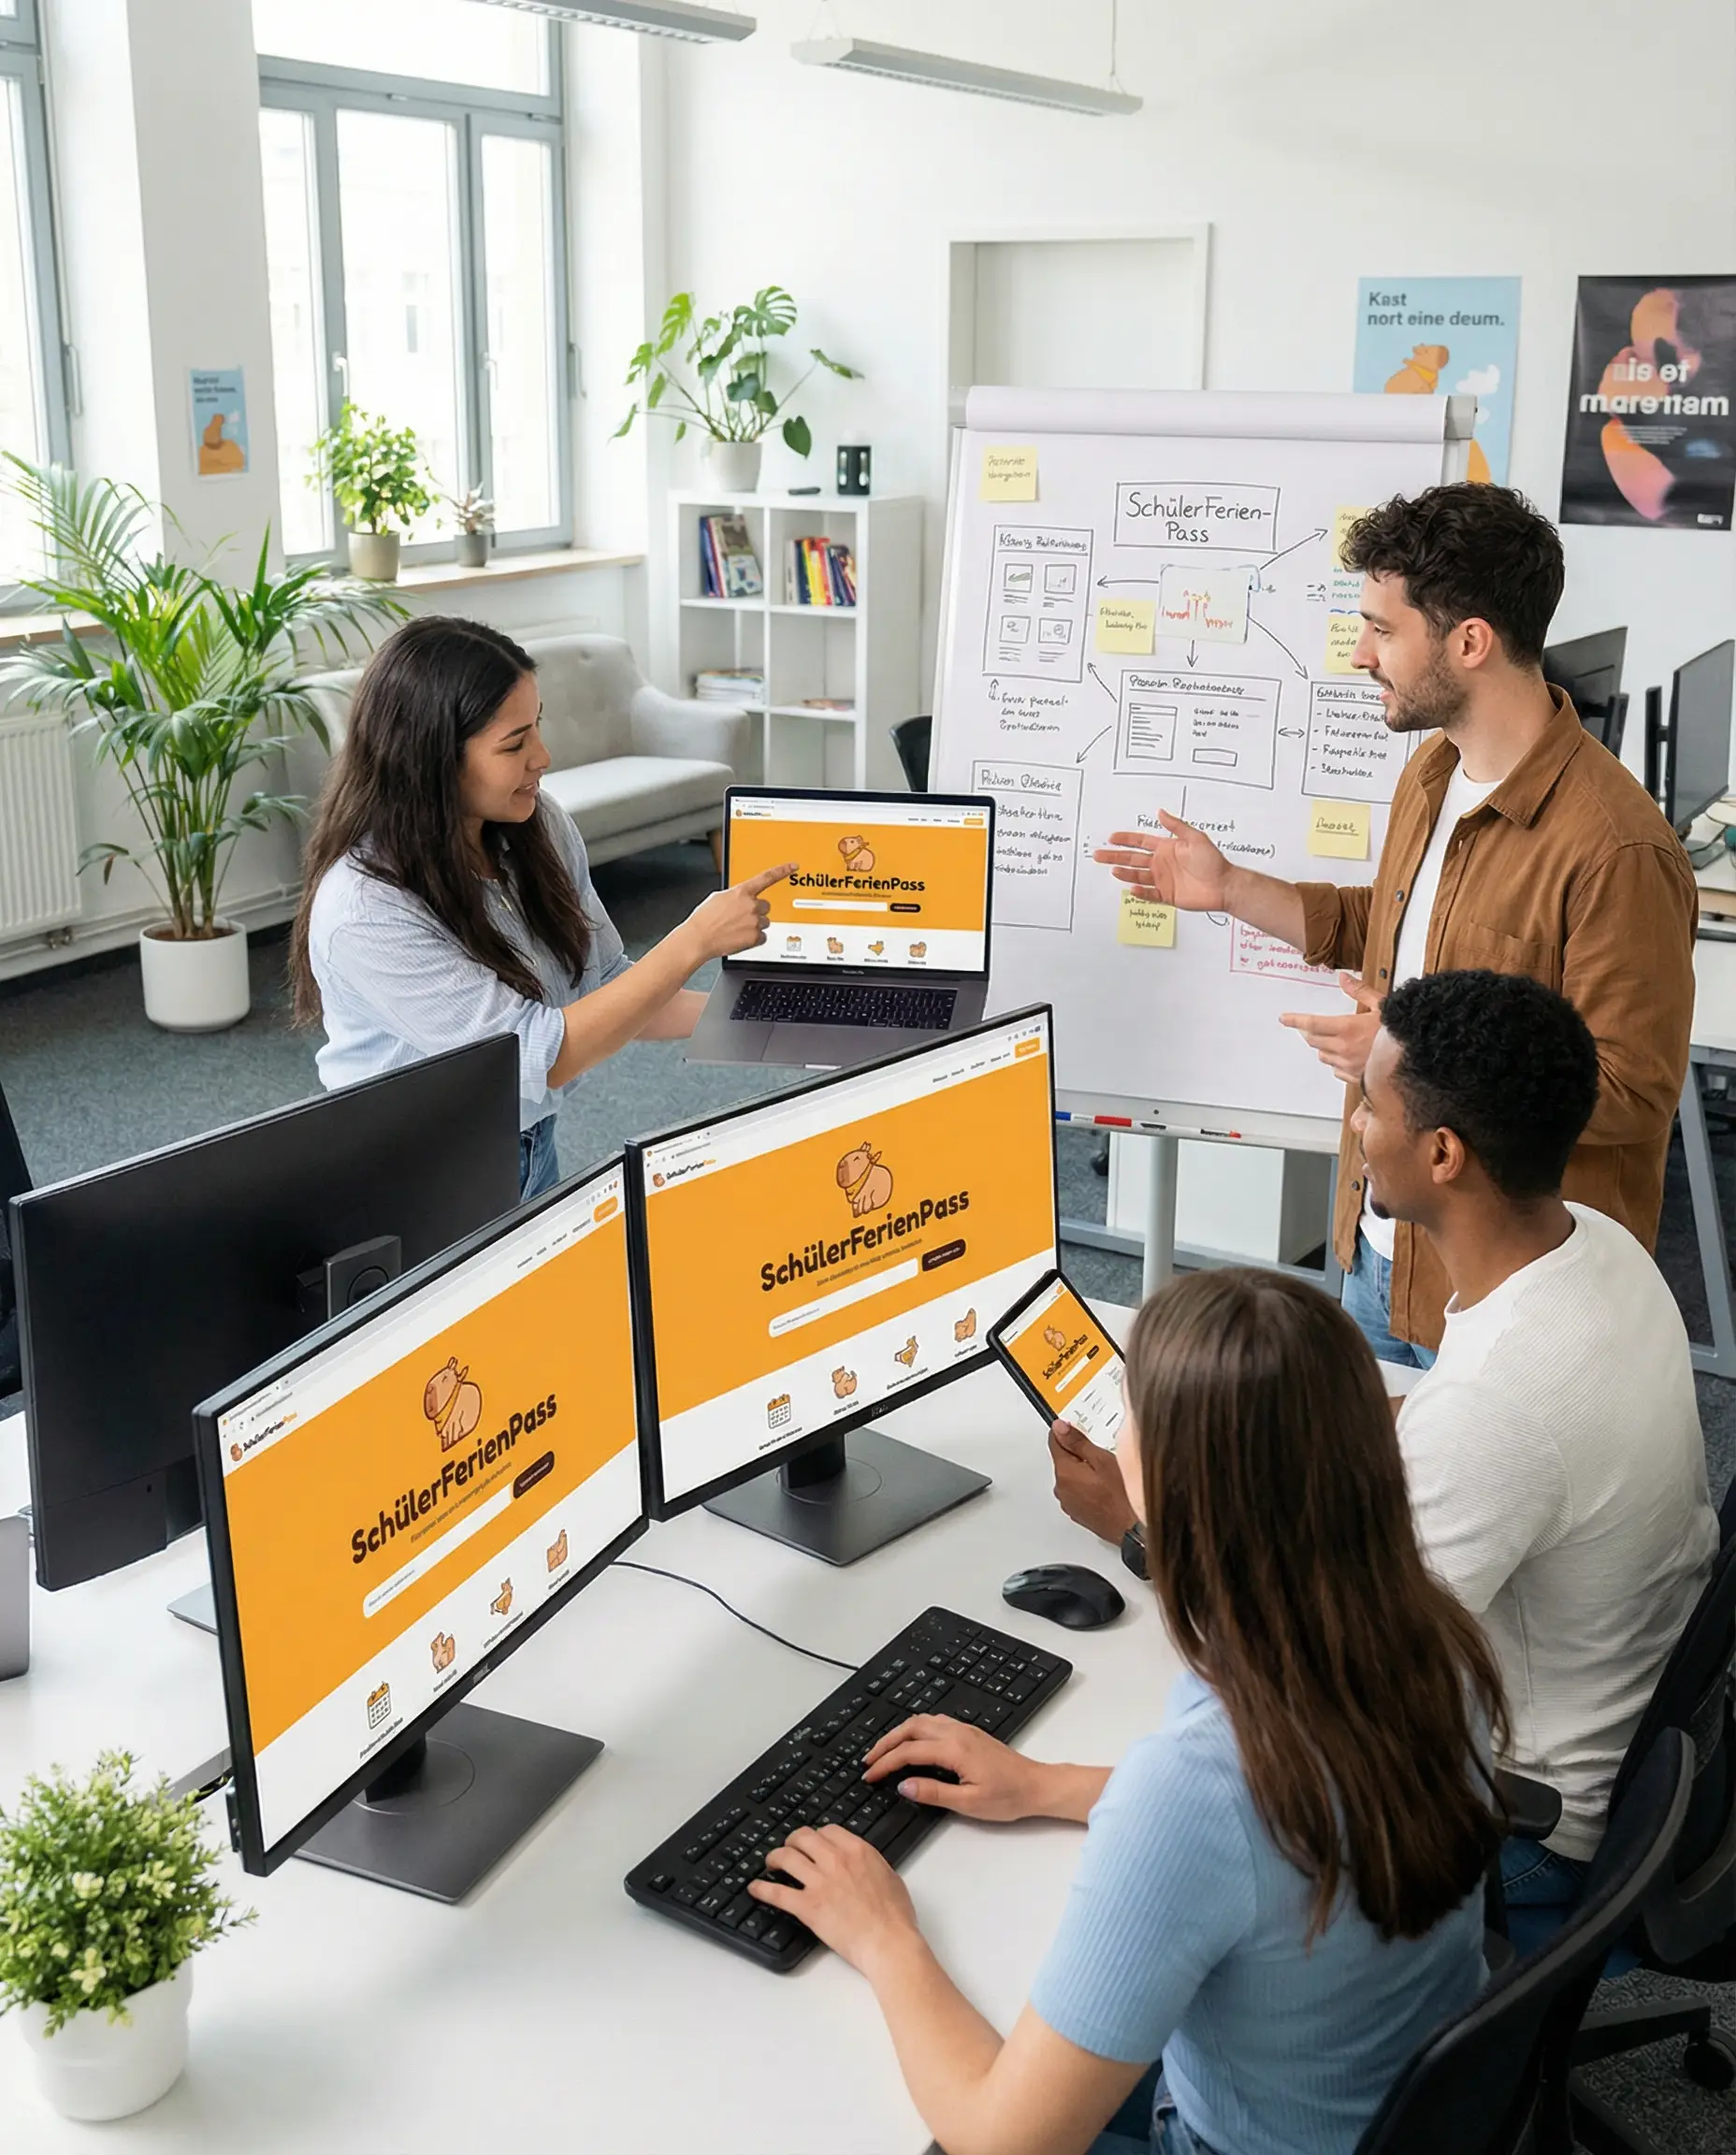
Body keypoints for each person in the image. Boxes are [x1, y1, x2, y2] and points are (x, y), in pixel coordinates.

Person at [751, 1270, 1505, 2155]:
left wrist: (884, 1935)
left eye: (1131, 1410)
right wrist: (1046, 1784)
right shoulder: (1431, 1635)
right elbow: (1279, 1818)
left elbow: (1005, 2141)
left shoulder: (1198, 1792)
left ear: (1182, 1491)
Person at [1094, 484, 1697, 1366]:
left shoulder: (1618, 851)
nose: (1359, 654)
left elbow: (1635, 1089)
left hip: (1512, 1303)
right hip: (1380, 1248)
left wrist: (1408, 1058)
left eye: (1383, 628)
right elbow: (1392, 928)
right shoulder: (1433, 774)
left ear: (1470, 642)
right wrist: (1228, 888)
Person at [1352, 969, 1718, 1949]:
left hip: (1531, 1823)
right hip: (1638, 1732)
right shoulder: (1596, 1246)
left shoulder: (1496, 1403)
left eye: (1366, 1102)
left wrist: (1142, 1529)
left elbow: (1340, 1687)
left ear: (1439, 1152)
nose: (1354, 1126)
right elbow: (1473, 1428)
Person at [289, 617, 792, 1200]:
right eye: (514, 743)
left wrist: (782, 1021)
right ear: (433, 760)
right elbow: (539, 1055)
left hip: (525, 1146)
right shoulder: (366, 910)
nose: (543, 756)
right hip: (413, 1181)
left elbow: (612, 992)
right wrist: (693, 941)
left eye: (538, 727)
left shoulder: (538, 824)